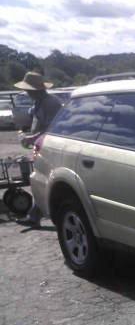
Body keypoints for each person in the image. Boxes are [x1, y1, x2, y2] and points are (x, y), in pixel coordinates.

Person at [13, 71, 62, 228]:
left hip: (51, 147)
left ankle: (37, 216)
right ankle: (34, 216)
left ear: (36, 90)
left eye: (28, 90)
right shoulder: (38, 102)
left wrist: (31, 138)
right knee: (40, 180)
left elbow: (51, 128)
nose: (26, 93)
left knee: (43, 180)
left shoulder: (50, 103)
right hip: (42, 146)